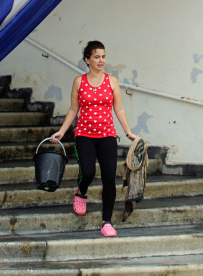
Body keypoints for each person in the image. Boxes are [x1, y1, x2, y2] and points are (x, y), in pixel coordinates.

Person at [49, 40, 138, 237]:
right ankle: (82, 191)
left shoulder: (111, 81)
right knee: (87, 171)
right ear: (87, 60)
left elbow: (119, 108)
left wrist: (128, 131)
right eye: (96, 57)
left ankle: (107, 221)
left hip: (107, 135)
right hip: (84, 135)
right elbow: (74, 109)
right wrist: (62, 131)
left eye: (103, 56)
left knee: (108, 178)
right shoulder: (79, 82)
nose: (101, 60)